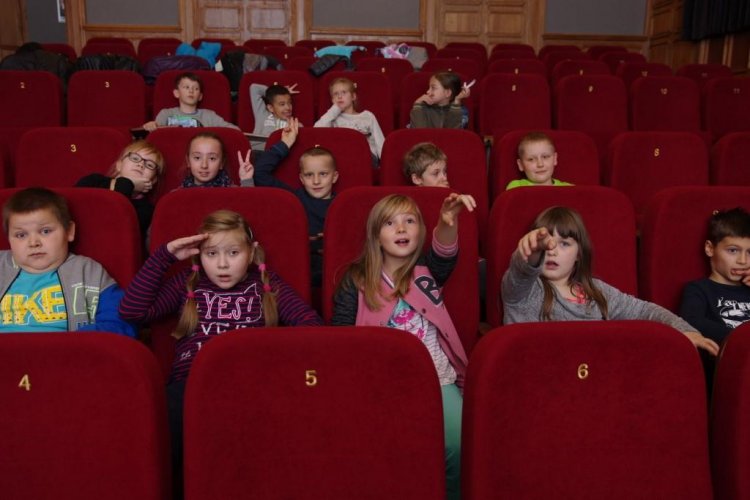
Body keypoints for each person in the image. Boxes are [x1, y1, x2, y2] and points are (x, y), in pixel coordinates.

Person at [119, 209, 323, 498]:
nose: (223, 264)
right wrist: (164, 256)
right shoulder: (187, 283)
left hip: (252, 383)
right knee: (160, 417)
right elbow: (132, 311)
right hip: (192, 384)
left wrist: (266, 359)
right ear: (200, 255)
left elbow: (312, 328)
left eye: (233, 253)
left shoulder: (266, 285)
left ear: (251, 254)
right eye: (211, 254)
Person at [331, 192, 476, 500]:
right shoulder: (356, 280)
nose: (401, 228)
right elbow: (341, 338)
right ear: (376, 236)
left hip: (437, 377)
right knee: (383, 449)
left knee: (460, 443)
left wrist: (447, 221)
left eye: (409, 221)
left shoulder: (427, 272)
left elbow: (445, 253)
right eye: (390, 223)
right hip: (379, 382)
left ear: (420, 231)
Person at [502, 206, 719, 356]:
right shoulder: (525, 292)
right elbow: (521, 274)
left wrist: (683, 330)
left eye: (564, 244)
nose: (552, 250)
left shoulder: (596, 291)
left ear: (579, 254)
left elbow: (643, 310)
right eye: (546, 244)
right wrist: (532, 252)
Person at [0, 187, 135, 336]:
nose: (33, 243)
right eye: (21, 235)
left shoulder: (88, 271)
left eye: (45, 231)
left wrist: (76, 341)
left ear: (69, 231)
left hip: (67, 349)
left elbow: (121, 323)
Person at [251, 118, 337, 287]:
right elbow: (260, 174)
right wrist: (285, 144)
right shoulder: (293, 198)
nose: (316, 181)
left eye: (323, 174)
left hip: (333, 272)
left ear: (334, 177)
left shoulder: (341, 205)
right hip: (298, 270)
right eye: (309, 175)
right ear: (301, 178)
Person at [680, 208, 750, 344]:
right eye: (733, 250)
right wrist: (741, 338)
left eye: (749, 252)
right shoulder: (698, 289)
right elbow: (692, 321)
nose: (743, 261)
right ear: (710, 248)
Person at [75, 140, 164, 239]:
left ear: (153, 180)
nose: (141, 164)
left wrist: (127, 184)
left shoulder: (146, 210)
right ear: (119, 165)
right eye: (135, 158)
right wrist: (129, 183)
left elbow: (113, 221)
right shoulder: (94, 181)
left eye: (150, 165)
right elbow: (75, 207)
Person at [314, 77, 385, 164]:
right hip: (342, 156)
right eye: (336, 94)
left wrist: (384, 163)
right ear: (332, 100)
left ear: (353, 96)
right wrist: (335, 110)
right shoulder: (332, 118)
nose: (339, 96)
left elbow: (379, 141)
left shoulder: (367, 116)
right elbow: (317, 130)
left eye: (344, 92)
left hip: (366, 156)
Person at [142, 72, 240, 131]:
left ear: (200, 96)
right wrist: (151, 126)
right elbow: (154, 133)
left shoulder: (209, 115)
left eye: (196, 88)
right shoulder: (166, 114)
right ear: (176, 93)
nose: (191, 91)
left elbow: (235, 130)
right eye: (186, 87)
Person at [180, 131, 254, 188]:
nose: (204, 165)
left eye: (212, 158)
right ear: (188, 161)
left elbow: (248, 202)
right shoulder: (178, 193)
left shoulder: (232, 190)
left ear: (221, 163)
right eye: (197, 158)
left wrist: (246, 180)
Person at [506, 131, 572, 190]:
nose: (540, 164)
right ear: (521, 165)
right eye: (531, 159)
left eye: (545, 157)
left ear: (555, 159)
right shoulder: (516, 188)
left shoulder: (569, 189)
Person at [249, 82, 301, 150]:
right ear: (271, 108)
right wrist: (273, 94)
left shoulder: (295, 124)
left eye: (289, 103)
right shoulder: (262, 115)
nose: (288, 108)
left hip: (280, 153)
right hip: (257, 151)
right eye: (282, 104)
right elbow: (254, 88)